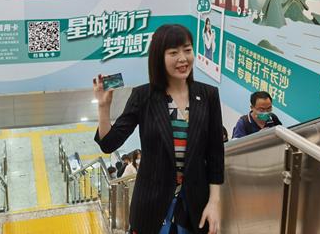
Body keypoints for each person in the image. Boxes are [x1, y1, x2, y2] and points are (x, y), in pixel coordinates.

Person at [94, 24, 224, 234]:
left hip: (195, 206)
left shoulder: (208, 95)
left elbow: (216, 154)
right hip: (150, 206)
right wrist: (103, 106)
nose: (183, 58)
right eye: (173, 53)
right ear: (159, 58)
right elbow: (110, 143)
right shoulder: (143, 96)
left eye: (187, 50)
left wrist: (214, 202)